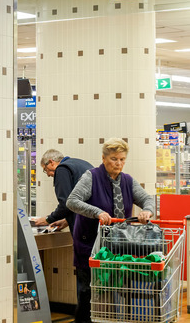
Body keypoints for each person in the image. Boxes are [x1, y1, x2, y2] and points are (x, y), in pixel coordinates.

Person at [66, 138, 155, 323]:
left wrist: (147, 211)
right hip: (90, 243)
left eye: (122, 159)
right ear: (104, 158)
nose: (119, 163)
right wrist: (96, 212)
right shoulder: (91, 177)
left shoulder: (128, 181)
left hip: (117, 245)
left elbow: (147, 199)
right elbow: (72, 201)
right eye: (114, 159)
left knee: (115, 289)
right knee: (88, 291)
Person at [34, 149, 93, 232]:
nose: (48, 174)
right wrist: (66, 221)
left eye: (45, 169)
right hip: (95, 218)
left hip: (83, 224)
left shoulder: (62, 169)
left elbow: (66, 204)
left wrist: (48, 219)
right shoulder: (80, 164)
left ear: (51, 162)